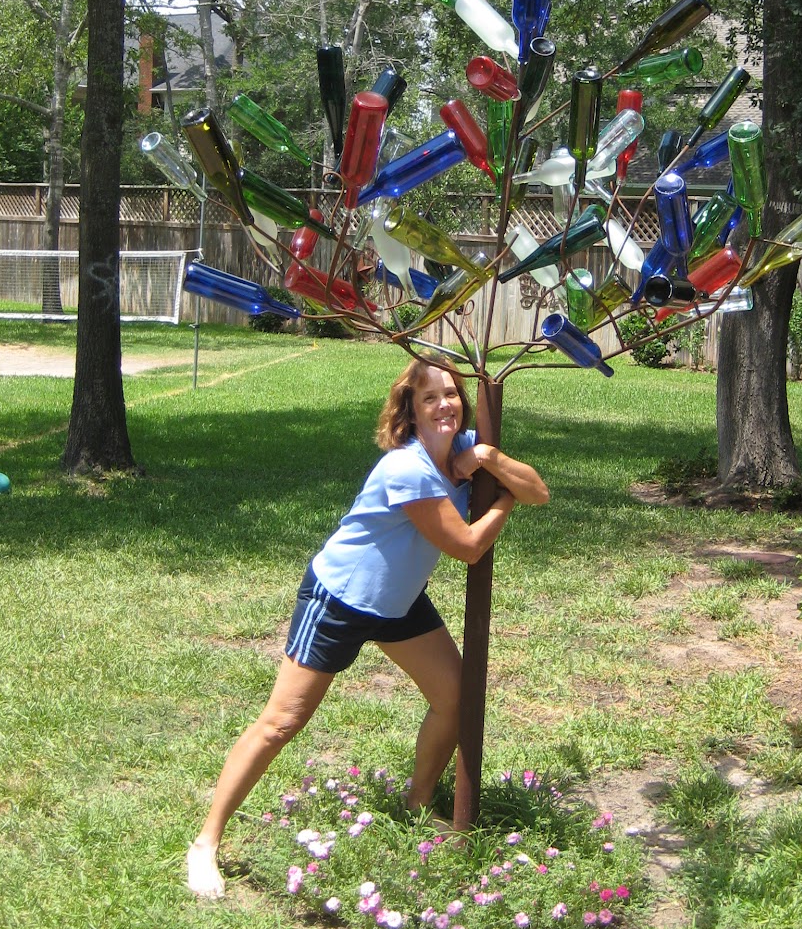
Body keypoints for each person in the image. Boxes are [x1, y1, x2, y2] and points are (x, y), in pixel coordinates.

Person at [187, 355, 549, 898]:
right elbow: (469, 548)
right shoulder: (406, 468)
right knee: (281, 722)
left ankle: (418, 802)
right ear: (411, 410)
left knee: (457, 696)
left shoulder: (465, 447)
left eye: (451, 394)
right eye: (430, 398)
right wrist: (504, 501)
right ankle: (205, 843)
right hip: (339, 599)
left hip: (398, 603)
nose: (444, 405)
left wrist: (491, 458)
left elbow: (539, 490)